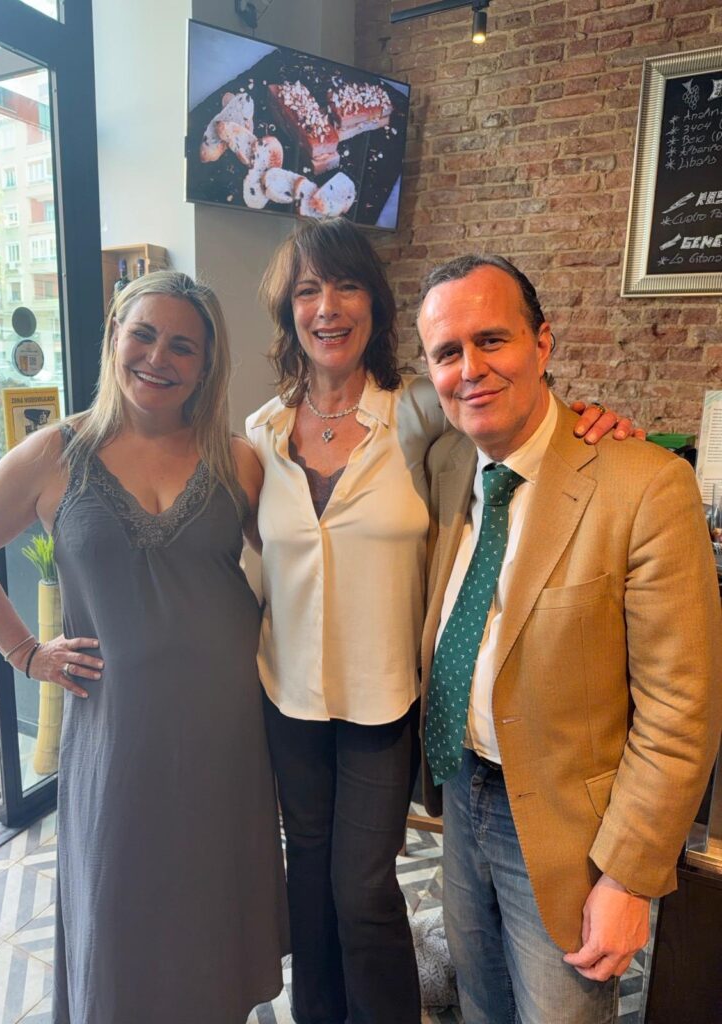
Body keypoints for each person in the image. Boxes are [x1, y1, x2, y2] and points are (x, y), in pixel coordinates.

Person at [246, 217, 637, 1024]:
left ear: (376, 304)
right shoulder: (261, 432)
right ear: (288, 310)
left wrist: (593, 421)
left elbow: (515, 416)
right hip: (287, 699)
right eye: (309, 290)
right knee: (308, 881)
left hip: (385, 700)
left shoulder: (419, 410)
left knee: (362, 890)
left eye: (346, 285)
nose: (328, 306)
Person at [0, 271, 288, 1024]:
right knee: (118, 908)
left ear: (206, 364)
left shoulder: (238, 461)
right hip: (116, 737)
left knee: (211, 909)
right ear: (114, 338)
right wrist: (25, 652)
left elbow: (299, 567)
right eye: (144, 334)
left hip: (226, 736)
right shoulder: (54, 454)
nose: (158, 358)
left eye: (183, 346)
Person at [416, 252, 722, 1024]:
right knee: (481, 1006)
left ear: (543, 343)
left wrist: (629, 876)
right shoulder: (450, 463)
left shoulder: (644, 485)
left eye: (492, 340)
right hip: (463, 789)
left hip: (570, 832)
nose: (470, 369)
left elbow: (681, 711)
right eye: (447, 352)